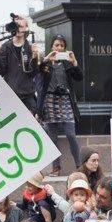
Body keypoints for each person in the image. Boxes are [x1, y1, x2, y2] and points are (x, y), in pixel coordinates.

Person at [39, 35, 82, 173]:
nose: (59, 48)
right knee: (52, 135)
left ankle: (79, 166)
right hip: (50, 100)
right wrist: (46, 60)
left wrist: (74, 62)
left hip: (65, 100)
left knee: (71, 134)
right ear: (52, 47)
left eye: (61, 46)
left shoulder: (67, 64)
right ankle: (56, 167)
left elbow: (80, 77)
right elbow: (36, 72)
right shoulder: (46, 63)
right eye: (56, 45)